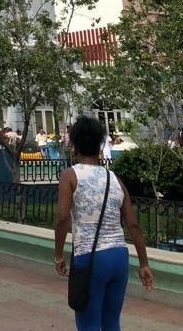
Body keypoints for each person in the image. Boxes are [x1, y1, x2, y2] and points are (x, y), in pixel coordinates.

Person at [54, 116, 153, 330]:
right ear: (100, 145)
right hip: (119, 257)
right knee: (111, 322)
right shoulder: (114, 179)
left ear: (74, 145)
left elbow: (62, 218)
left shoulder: (69, 176)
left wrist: (58, 255)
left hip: (89, 259)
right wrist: (144, 264)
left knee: (88, 323)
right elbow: (133, 225)